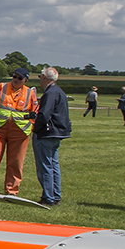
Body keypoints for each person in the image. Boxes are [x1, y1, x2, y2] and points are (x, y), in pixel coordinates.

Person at [0, 68, 38, 197]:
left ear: (25, 80)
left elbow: (35, 112)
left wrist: (30, 126)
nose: (16, 80)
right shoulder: (0, 87)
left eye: (19, 78)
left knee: (16, 162)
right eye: (14, 76)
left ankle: (12, 190)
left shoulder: (30, 93)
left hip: (20, 131)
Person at [32, 68, 71, 206]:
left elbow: (44, 114)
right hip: (57, 133)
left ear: (44, 77)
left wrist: (35, 128)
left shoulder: (50, 93)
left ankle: (49, 197)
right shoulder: (59, 91)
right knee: (54, 165)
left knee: (45, 166)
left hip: (47, 133)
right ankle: (55, 195)